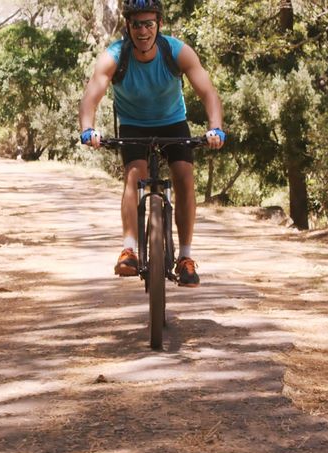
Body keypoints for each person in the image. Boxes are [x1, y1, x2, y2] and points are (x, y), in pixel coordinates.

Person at [78, 0, 225, 287]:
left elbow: (208, 93)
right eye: (136, 24)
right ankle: (129, 250)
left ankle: (185, 257)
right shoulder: (114, 57)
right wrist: (88, 129)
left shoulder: (177, 52)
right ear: (127, 27)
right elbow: (90, 97)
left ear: (159, 25)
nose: (143, 31)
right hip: (134, 125)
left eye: (148, 24)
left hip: (173, 122)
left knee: (183, 176)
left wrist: (215, 128)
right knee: (134, 176)